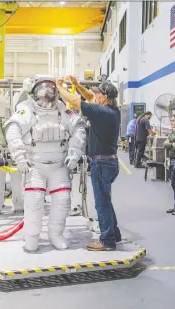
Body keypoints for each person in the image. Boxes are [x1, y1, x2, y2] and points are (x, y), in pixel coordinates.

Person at [4, 75, 87, 252]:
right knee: (34, 202)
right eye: (42, 94)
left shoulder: (62, 110)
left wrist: (74, 153)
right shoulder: (26, 110)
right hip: (35, 166)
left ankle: (55, 235)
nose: (46, 98)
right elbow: (13, 130)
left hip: (59, 166)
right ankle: (32, 237)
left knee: (63, 200)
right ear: (33, 93)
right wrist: (19, 156)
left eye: (49, 93)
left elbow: (79, 128)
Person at [59, 76, 122, 251]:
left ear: (104, 97)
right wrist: (77, 85)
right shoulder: (111, 111)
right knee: (106, 200)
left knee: (101, 203)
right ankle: (114, 234)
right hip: (109, 162)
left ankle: (107, 240)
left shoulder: (102, 113)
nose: (95, 96)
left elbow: (75, 101)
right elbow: (89, 98)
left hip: (101, 164)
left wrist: (59, 88)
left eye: (98, 94)